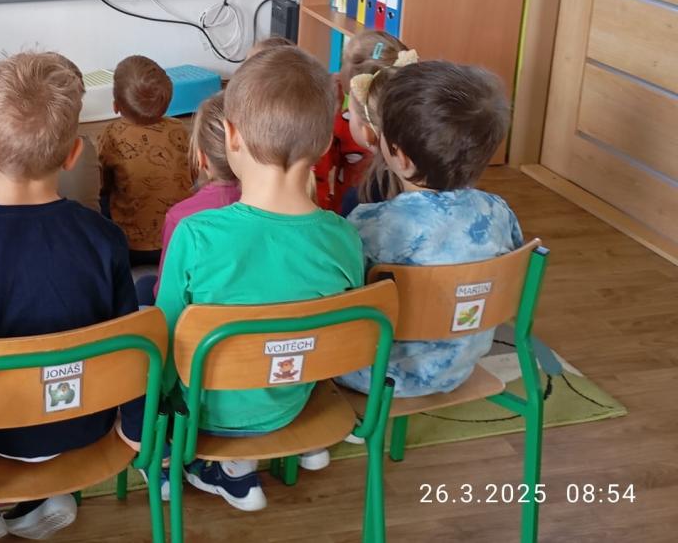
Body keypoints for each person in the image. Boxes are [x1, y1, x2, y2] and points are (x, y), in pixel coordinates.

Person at [0, 52, 136, 542]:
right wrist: (134, 428)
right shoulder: (106, 238)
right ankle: (42, 495)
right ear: (73, 154)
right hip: (86, 422)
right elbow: (128, 347)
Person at [150, 46, 364, 512]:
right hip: (291, 402)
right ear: (324, 144)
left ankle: (190, 466)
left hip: (202, 413)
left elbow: (164, 345)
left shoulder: (196, 235)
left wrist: (156, 418)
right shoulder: (343, 237)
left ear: (231, 137)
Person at [338, 61, 523, 398]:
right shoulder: (497, 211)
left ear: (400, 157)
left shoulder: (368, 223)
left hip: (373, 374)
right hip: (459, 366)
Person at [97, 55, 194, 266]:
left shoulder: (111, 134)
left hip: (130, 247)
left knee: (101, 196)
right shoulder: (179, 129)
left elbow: (102, 184)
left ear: (115, 106)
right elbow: (192, 173)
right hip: (176, 238)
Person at [149, 91, 240, 300]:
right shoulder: (276, 206)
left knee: (145, 285)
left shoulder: (180, 218)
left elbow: (165, 295)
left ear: (201, 157)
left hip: (197, 320)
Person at [312, 30, 410, 213]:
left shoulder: (359, 198)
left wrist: (329, 117)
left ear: (367, 131)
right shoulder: (420, 132)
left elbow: (317, 172)